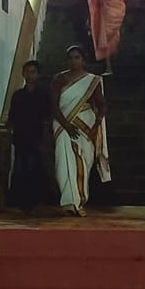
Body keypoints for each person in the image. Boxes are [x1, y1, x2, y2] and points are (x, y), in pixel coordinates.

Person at [52, 45, 109, 217]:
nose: (73, 61)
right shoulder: (59, 79)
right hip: (63, 126)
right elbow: (53, 105)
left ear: (83, 60)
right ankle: (69, 202)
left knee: (84, 162)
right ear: (66, 60)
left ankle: (79, 200)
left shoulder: (92, 80)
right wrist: (66, 125)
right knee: (64, 161)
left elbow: (101, 103)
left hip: (86, 125)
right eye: (70, 58)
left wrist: (97, 122)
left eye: (77, 57)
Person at [7, 60, 52, 212]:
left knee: (34, 168)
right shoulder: (18, 95)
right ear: (23, 74)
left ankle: (34, 201)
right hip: (20, 137)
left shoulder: (43, 95)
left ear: (37, 74)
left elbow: (46, 118)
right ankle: (21, 201)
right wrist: (10, 133)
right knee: (20, 168)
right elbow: (12, 117)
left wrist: (45, 138)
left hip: (36, 136)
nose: (30, 75)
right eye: (27, 72)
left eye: (33, 72)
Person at [87, 0, 130, 75]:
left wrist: (91, 17)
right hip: (119, 10)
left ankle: (109, 67)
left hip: (106, 12)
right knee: (115, 37)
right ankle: (114, 66)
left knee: (105, 39)